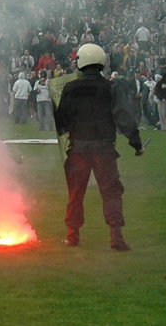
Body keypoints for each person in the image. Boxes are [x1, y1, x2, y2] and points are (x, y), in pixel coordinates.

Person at [54, 43, 143, 251]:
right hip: (104, 148)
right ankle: (116, 234)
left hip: (78, 149)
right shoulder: (110, 88)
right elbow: (123, 117)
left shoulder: (70, 88)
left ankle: (72, 234)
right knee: (111, 191)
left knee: (76, 192)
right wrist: (136, 144)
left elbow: (61, 121)